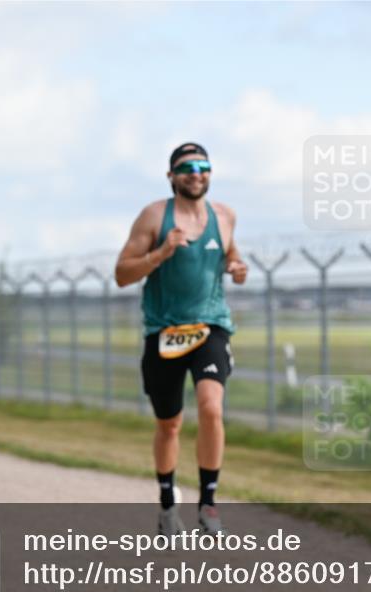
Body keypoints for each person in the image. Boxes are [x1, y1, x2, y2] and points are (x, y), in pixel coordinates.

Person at [115, 142, 248, 537]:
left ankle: (208, 504)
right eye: (186, 167)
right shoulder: (154, 216)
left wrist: (237, 266)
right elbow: (122, 274)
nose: (196, 172)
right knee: (169, 424)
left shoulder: (224, 216)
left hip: (210, 326)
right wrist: (161, 253)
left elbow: (231, 254)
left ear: (210, 172)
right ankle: (168, 503)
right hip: (164, 331)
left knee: (211, 408)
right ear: (171, 175)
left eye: (203, 166)